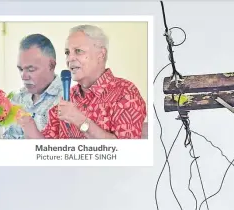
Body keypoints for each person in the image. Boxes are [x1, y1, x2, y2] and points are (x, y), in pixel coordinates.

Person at [19, 24, 147, 139]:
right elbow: (48, 151)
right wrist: (30, 128)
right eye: (67, 52)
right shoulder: (67, 97)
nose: (70, 58)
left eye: (78, 51)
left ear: (101, 55)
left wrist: (80, 120)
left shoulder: (126, 93)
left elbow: (126, 153)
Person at [3, 34, 62, 139]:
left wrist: (34, 134)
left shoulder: (69, 101)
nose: (23, 76)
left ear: (51, 65)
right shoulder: (16, 99)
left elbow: (66, 154)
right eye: (20, 69)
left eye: (31, 69)